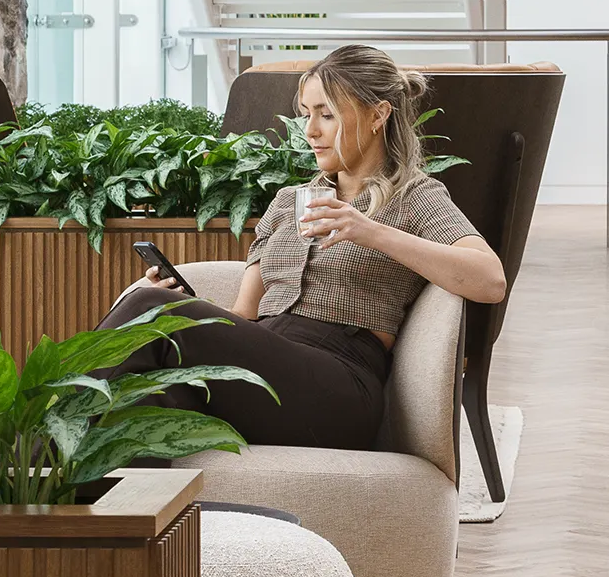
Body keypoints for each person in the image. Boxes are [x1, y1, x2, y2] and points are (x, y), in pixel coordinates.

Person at [95, 45, 507, 449]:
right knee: (144, 401)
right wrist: (188, 305)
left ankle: (51, 441)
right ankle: (81, 488)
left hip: (339, 387)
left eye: (327, 115)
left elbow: (490, 280)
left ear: (377, 114)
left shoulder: (415, 196)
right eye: (307, 114)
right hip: (266, 367)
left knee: (147, 304)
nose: (310, 131)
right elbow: (244, 314)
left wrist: (368, 231)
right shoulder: (288, 201)